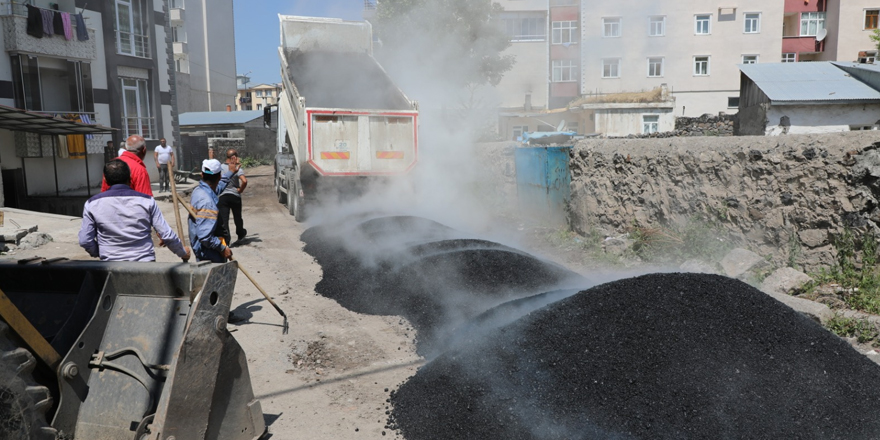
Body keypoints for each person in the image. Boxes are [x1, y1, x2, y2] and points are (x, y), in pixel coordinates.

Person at [79, 160, 190, 262]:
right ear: (130, 178)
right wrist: (183, 253)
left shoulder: (92, 204)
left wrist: (100, 252)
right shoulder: (147, 201)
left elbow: (85, 240)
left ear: (105, 180)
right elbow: (167, 235)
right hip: (144, 265)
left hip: (110, 266)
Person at [189, 158, 238, 262]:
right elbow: (205, 237)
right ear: (219, 176)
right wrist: (222, 248)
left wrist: (231, 172)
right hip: (210, 254)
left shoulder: (199, 191)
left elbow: (218, 187)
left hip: (204, 251)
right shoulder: (207, 202)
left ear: (202, 174)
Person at [218, 148, 248, 243]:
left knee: (224, 219)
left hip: (222, 196)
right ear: (234, 157)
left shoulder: (220, 167)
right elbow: (244, 181)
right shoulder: (237, 168)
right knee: (237, 217)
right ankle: (240, 234)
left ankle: (226, 240)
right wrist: (240, 190)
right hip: (235, 196)